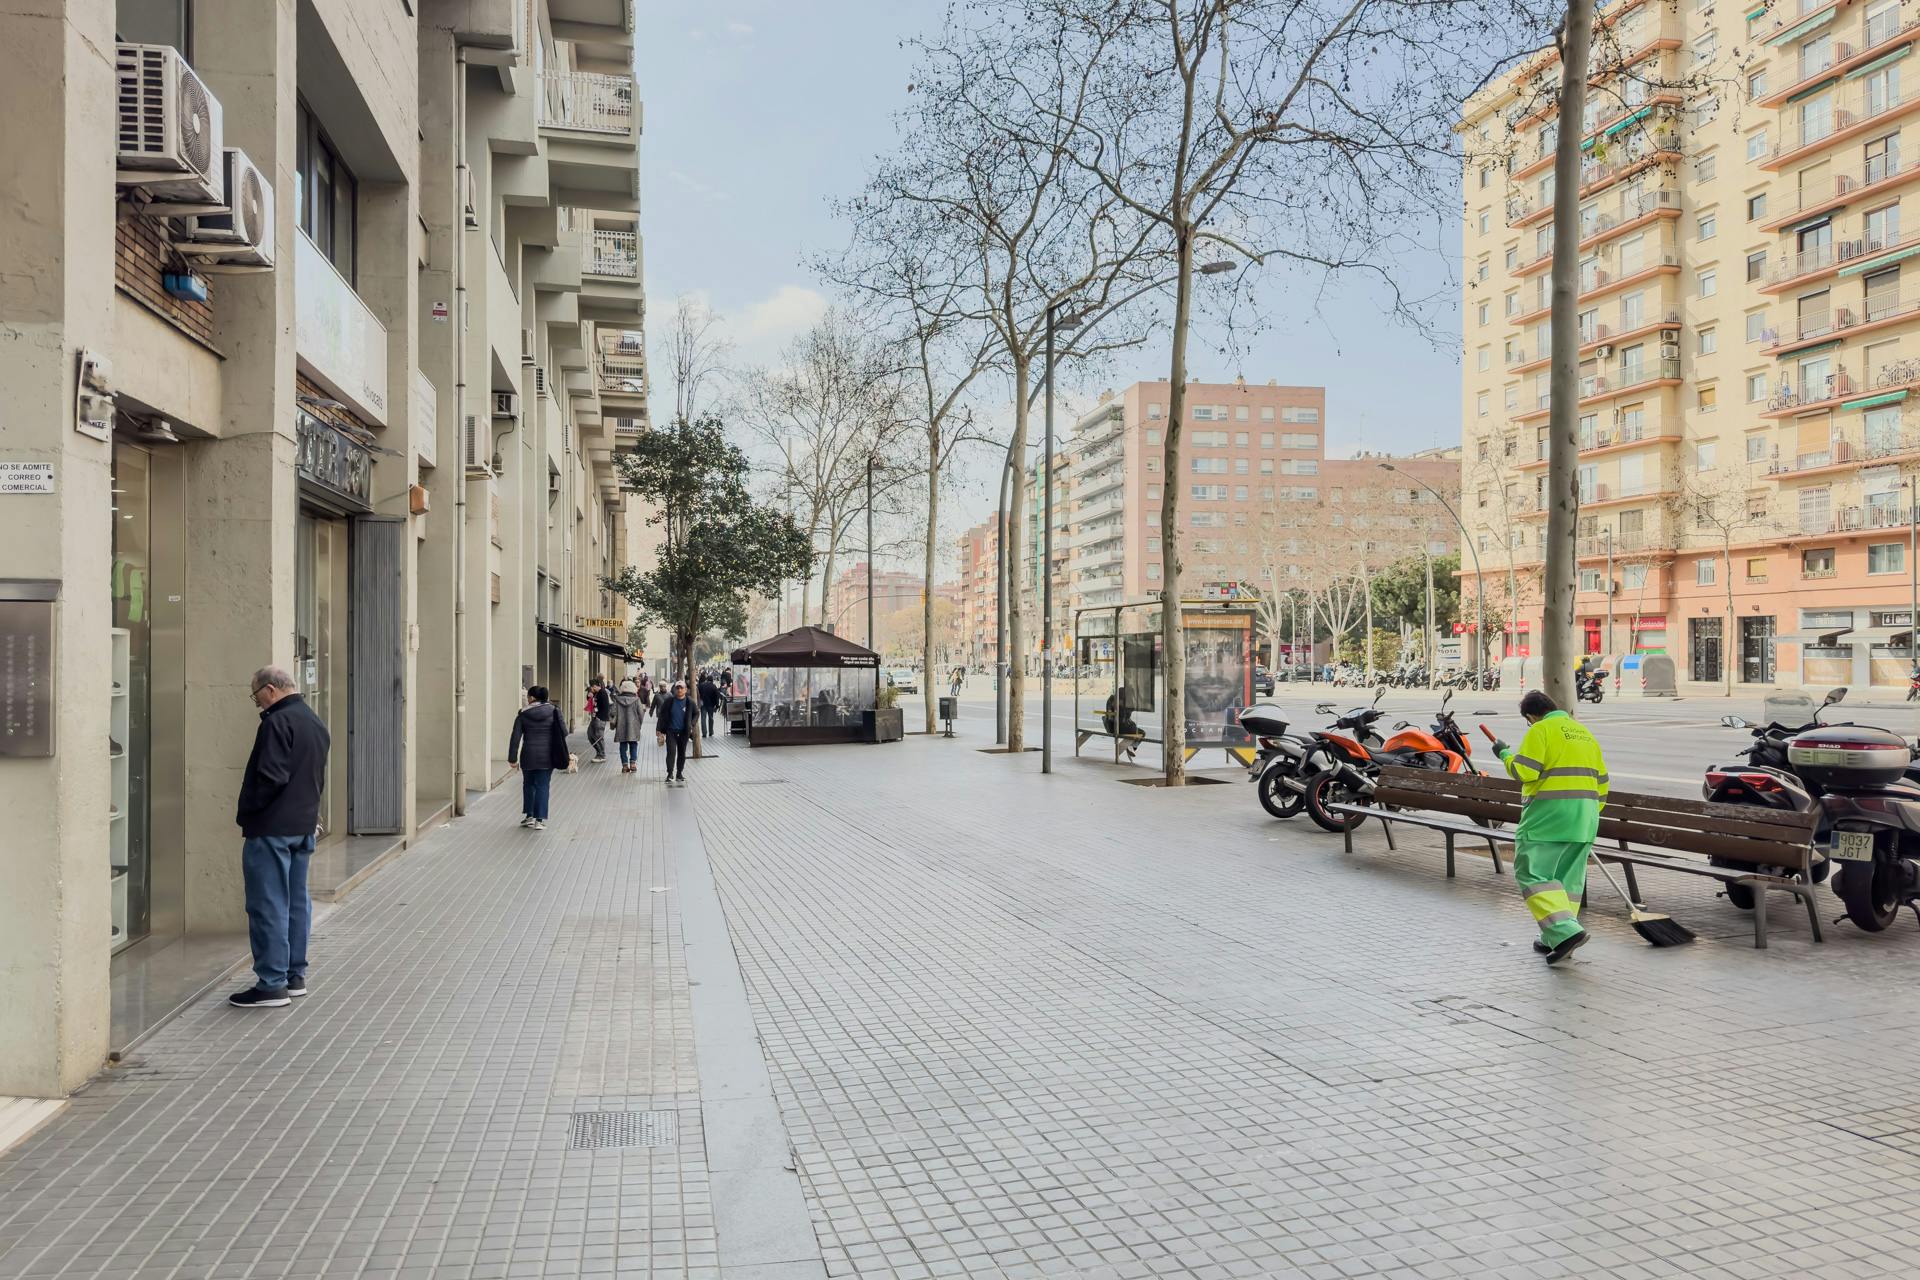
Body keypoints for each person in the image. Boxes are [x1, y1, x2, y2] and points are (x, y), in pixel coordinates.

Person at [229, 665, 330, 1009]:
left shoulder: (276, 723)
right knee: (296, 902)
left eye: (256, 696)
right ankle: (293, 976)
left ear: (270, 690)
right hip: (303, 826)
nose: (257, 703)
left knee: (268, 904)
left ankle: (271, 984)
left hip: (271, 828)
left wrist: (248, 811)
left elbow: (270, 778)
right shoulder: (314, 721)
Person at [1491, 690, 1610, 965]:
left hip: (1548, 818)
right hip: (1585, 819)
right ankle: (1554, 938)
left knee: (1532, 873)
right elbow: (1602, 781)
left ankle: (1566, 931)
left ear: (1531, 716)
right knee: (1567, 882)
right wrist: (1587, 814)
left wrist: (1505, 754)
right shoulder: (1584, 733)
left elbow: (1525, 772)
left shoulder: (1541, 730)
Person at [508, 685, 569, 831]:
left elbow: (515, 737)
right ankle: (539, 820)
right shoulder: (554, 710)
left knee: (528, 784)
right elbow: (564, 732)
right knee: (542, 785)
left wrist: (512, 758)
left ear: (532, 698)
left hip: (528, 755)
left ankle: (529, 816)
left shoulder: (523, 714)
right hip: (547, 755)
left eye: (528, 696)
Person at [656, 678, 695, 785]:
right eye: (677, 688)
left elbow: (696, 713)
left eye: (681, 688)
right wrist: (658, 729)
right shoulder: (669, 701)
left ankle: (679, 773)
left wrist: (691, 724)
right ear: (674, 690)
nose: (679, 690)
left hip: (683, 732)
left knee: (682, 753)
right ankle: (670, 774)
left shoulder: (689, 702)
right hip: (671, 731)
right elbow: (662, 715)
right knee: (671, 752)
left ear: (685, 690)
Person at [612, 678, 647, 773]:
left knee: (623, 745)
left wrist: (614, 724)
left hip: (621, 726)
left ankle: (624, 766)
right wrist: (639, 725)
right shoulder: (636, 700)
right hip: (633, 726)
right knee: (633, 744)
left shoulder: (617, 700)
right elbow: (641, 714)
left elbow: (613, 713)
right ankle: (633, 764)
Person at [585, 676, 613, 763]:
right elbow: (591, 701)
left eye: (592, 688)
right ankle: (598, 752)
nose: (591, 690)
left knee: (598, 737)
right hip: (595, 718)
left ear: (594, 686)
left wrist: (598, 716)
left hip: (600, 719)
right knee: (590, 735)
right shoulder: (596, 693)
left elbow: (604, 707)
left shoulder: (602, 693)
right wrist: (589, 696)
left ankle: (602, 755)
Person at [697, 672, 721, 736]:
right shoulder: (714, 686)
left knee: (703, 719)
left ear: (707, 679)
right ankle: (711, 731)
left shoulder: (701, 685)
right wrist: (717, 705)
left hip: (703, 704)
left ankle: (704, 733)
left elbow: (698, 694)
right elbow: (717, 696)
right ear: (712, 680)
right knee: (711, 718)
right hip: (711, 705)